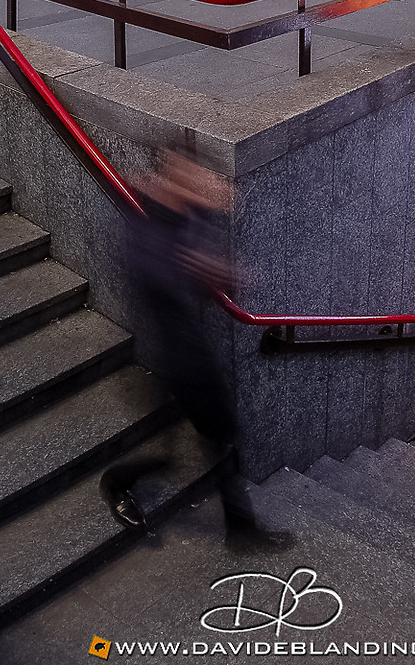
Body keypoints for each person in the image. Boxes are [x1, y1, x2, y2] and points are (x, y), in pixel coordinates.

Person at [97, 148, 291, 553]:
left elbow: (203, 224)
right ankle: (119, 482)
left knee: (207, 443)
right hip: (179, 356)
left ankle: (237, 528)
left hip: (189, 347)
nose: (197, 178)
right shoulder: (149, 222)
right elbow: (153, 271)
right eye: (186, 171)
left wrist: (208, 257)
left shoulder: (181, 212)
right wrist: (197, 267)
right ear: (167, 173)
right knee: (209, 442)